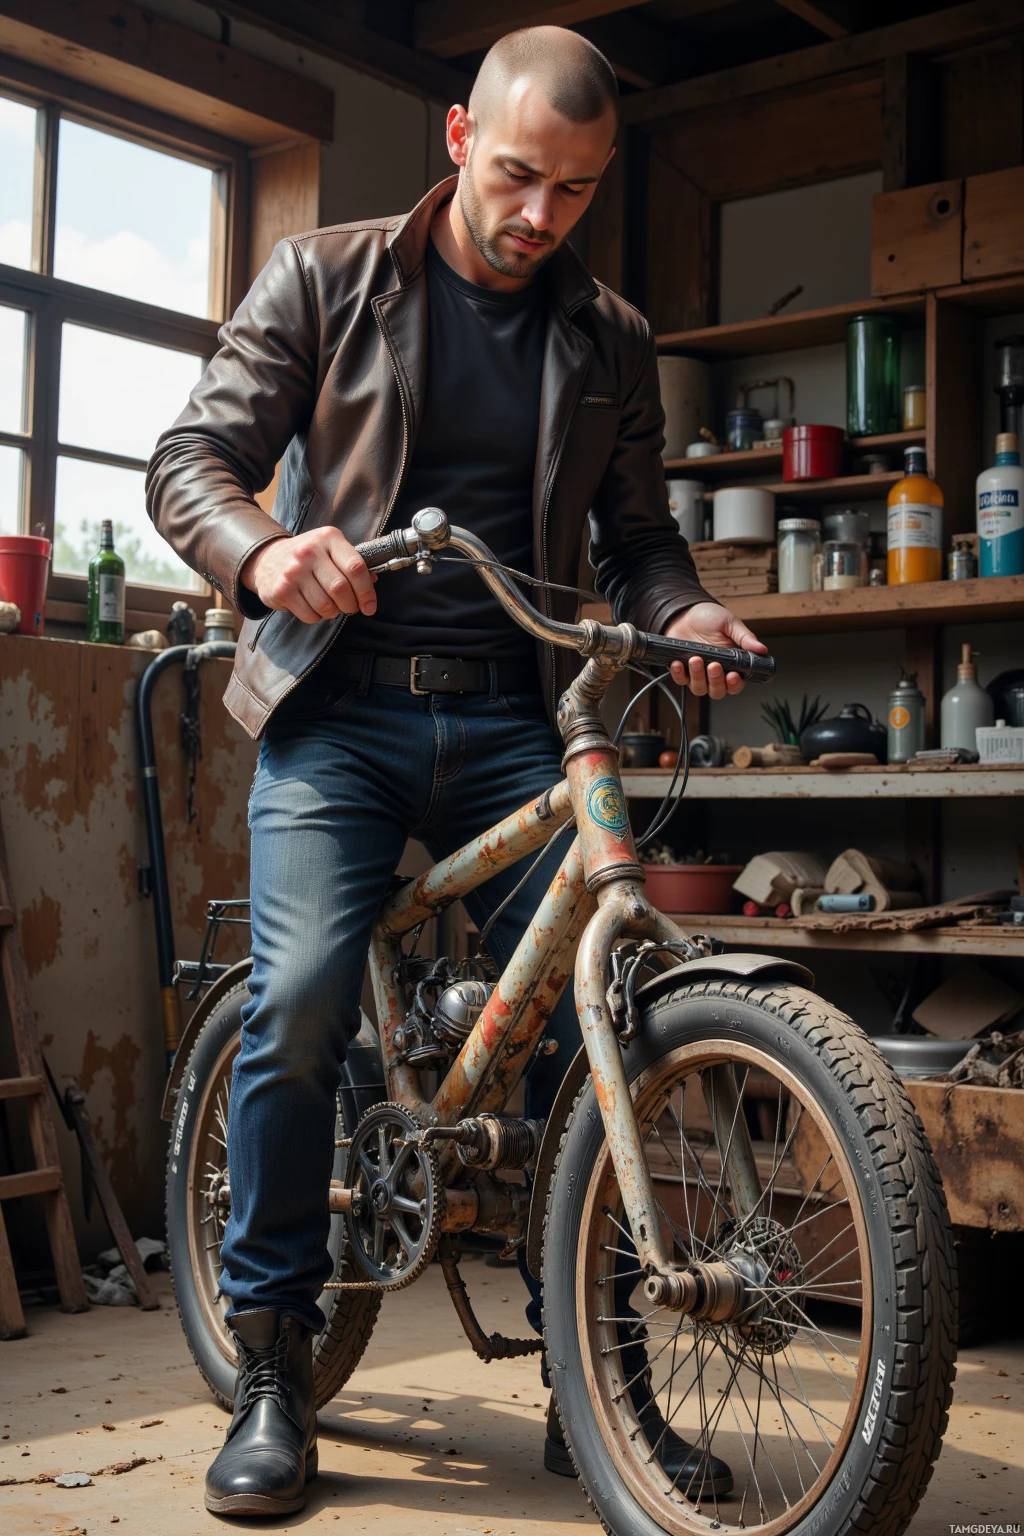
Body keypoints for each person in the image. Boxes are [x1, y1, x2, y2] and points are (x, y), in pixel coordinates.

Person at [147, 23, 765, 1519]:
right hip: (337, 710)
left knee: (586, 1024)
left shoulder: (610, 336)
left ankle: (596, 1384)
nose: (540, 215)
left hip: (521, 711)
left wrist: (681, 614)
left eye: (575, 190)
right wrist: (266, 549)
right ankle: (280, 1362)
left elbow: (642, 537)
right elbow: (189, 462)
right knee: (298, 1008)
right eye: (516, 176)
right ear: (453, 139)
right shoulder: (326, 277)